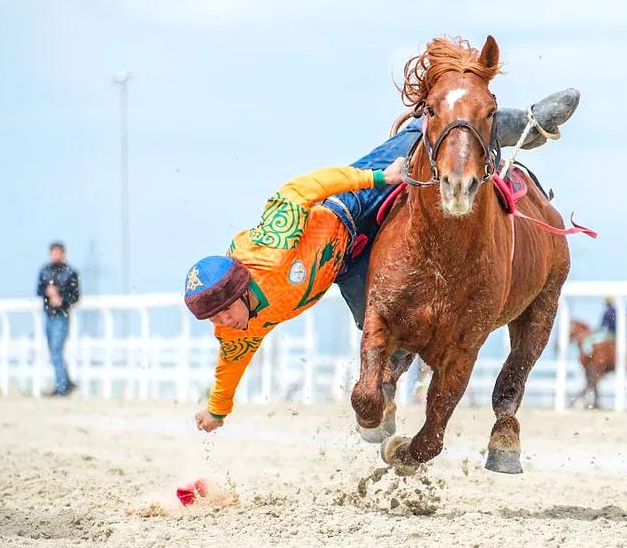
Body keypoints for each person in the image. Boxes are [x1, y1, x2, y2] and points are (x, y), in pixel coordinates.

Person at [185, 89, 580, 432]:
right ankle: (385, 395)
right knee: (383, 331)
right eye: (215, 320)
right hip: (346, 267)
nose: (224, 324)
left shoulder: (269, 250)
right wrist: (217, 410)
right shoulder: (237, 330)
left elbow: (296, 191)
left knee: (415, 144)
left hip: (349, 208)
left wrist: (376, 179)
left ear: (239, 289)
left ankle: (524, 123)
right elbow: (229, 366)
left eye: (223, 313)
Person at [36, 242, 80, 396]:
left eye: (58, 253)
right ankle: (66, 383)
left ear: (63, 254)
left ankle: (62, 388)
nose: (55, 256)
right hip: (48, 316)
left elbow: (75, 296)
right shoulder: (45, 271)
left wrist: (61, 298)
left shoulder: (70, 272)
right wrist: (48, 293)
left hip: (62, 316)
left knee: (56, 351)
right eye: (52, 253)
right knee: (54, 351)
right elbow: (39, 290)